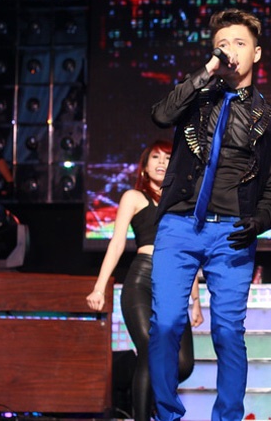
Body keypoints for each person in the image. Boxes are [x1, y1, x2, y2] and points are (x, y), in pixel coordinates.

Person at [148, 9, 271, 421]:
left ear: (256, 53)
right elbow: (160, 115)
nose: (230, 51)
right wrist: (206, 71)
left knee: (227, 332)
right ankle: (167, 415)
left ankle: (227, 418)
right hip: (179, 225)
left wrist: (259, 222)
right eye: (222, 44)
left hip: (232, 232)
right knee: (166, 323)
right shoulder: (196, 98)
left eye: (239, 43)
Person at [85, 140, 203, 421]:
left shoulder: (182, 202)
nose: (161, 162)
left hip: (174, 283)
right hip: (142, 280)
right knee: (151, 350)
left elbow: (188, 252)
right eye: (155, 157)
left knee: (184, 364)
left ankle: (132, 379)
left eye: (167, 158)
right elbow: (117, 243)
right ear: (145, 166)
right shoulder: (134, 197)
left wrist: (196, 300)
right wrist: (99, 288)